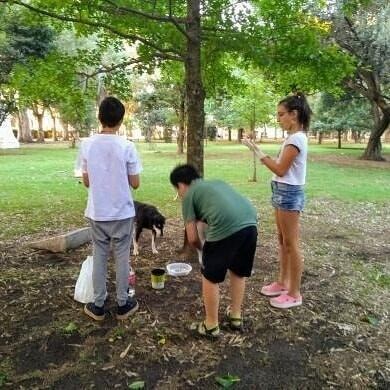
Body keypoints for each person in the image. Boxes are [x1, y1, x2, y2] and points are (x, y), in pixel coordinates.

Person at [169, 164, 258, 338]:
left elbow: (192, 237)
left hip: (227, 228)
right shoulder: (217, 183)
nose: (179, 194)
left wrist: (205, 251)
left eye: (177, 190)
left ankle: (211, 325)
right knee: (238, 271)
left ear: (180, 185)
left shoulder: (188, 196)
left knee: (210, 277)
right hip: (250, 224)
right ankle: (236, 316)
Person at [242, 92, 311, 309]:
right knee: (282, 241)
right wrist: (256, 149)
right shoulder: (291, 138)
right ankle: (283, 283)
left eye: (281, 115)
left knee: (291, 244)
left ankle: (294, 293)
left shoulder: (297, 139)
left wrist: (258, 152)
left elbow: (281, 170)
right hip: (282, 191)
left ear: (294, 114)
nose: (278, 119)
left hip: (289, 193)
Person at [80, 96, 142, 321]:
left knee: (99, 255)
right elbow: (135, 183)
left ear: (100, 118)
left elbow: (87, 181)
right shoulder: (127, 146)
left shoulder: (87, 145)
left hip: (97, 211)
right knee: (122, 256)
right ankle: (123, 304)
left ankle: (98, 305)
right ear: (120, 120)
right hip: (122, 213)